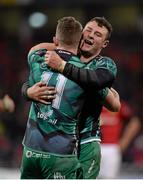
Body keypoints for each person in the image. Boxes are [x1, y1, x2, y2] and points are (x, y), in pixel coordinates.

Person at [22, 17, 120, 179]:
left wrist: (63, 66)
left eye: (97, 34)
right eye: (88, 30)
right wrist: (27, 92)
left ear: (104, 44)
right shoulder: (59, 58)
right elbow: (33, 78)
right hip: (56, 143)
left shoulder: (103, 65)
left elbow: (115, 105)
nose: (90, 36)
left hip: (86, 141)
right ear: (80, 33)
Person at [99, 102, 141, 179]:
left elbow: (135, 122)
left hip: (111, 148)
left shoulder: (117, 104)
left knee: (109, 178)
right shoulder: (89, 104)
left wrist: (125, 141)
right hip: (92, 146)